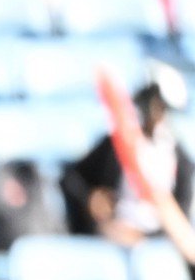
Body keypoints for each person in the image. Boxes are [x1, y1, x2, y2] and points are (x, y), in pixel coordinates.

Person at [63, 69, 195, 246]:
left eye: (161, 107)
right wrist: (90, 199)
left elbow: (180, 220)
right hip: (109, 238)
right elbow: (72, 179)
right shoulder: (116, 144)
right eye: (149, 102)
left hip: (155, 247)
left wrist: (144, 238)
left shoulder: (182, 161)